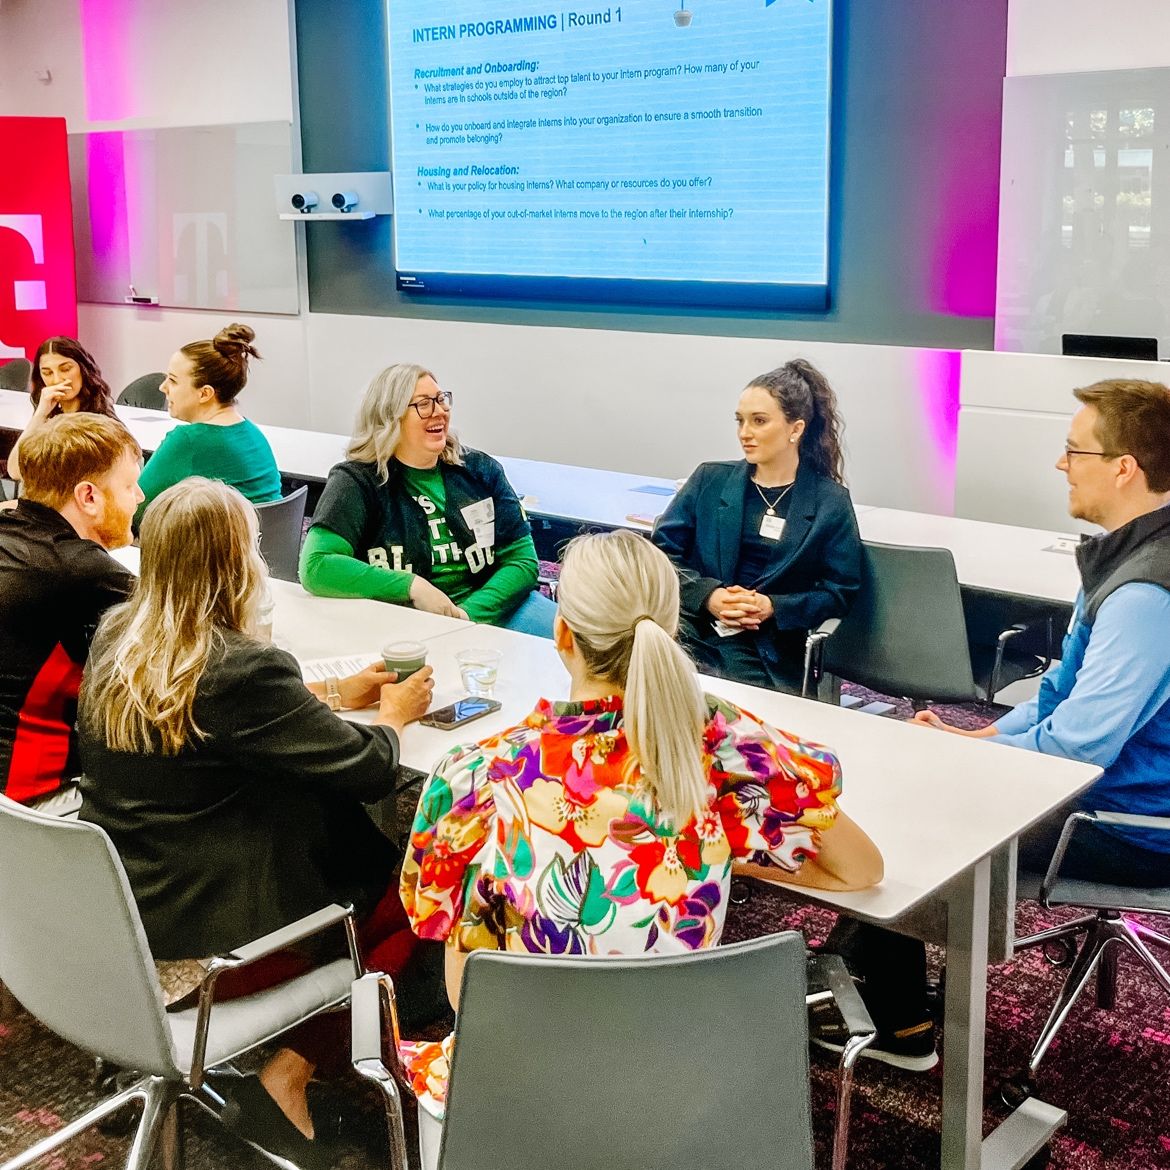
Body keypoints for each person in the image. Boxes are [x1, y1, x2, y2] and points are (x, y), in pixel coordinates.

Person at [396, 529, 883, 1132]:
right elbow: (861, 869)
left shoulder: (476, 774)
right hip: (679, 1097)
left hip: (517, 1098)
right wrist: (714, 850)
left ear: (562, 633)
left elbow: (458, 982)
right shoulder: (723, 745)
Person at [77, 478, 437, 1170]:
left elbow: (209, 719)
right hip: (214, 948)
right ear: (234, 563)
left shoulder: (119, 638)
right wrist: (391, 718)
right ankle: (292, 1073)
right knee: (418, 891)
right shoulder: (241, 669)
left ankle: (292, 1054)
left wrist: (327, 693)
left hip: (122, 919)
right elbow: (367, 769)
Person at [818, 378, 1170, 1073]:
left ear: (1124, 467)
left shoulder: (1143, 594)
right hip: (1106, 791)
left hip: (1126, 822)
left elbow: (1076, 748)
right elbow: (1057, 699)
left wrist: (966, 765)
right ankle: (859, 973)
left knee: (909, 814)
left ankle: (898, 1025)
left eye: (1075, 451)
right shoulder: (1128, 557)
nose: (1061, 464)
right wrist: (976, 740)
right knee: (921, 770)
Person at [300, 362, 555, 637]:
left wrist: (468, 614)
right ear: (390, 416)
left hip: (491, 607)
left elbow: (522, 560)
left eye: (441, 400)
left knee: (585, 642)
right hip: (401, 617)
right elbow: (316, 565)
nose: (440, 411)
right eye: (424, 404)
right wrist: (412, 586)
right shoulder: (357, 481)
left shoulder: (481, 470)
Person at [653, 359, 862, 693]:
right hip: (694, 625)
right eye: (740, 421)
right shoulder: (710, 479)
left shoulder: (829, 502)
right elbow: (660, 554)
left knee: (735, 713)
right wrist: (710, 595)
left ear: (796, 429)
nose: (744, 433)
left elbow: (840, 590)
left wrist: (773, 607)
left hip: (768, 647)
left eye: (759, 421)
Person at [0, 413, 140, 813]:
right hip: (28, 804)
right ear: (88, 497)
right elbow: (186, 629)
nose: (140, 497)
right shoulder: (80, 568)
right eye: (130, 486)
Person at [136, 323, 281, 521]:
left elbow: (134, 511)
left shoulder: (188, 441)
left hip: (215, 550)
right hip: (258, 547)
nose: (163, 387)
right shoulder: (253, 433)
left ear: (205, 393)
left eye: (173, 380)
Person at [6, 337, 117, 483]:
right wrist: (40, 413)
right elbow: (15, 470)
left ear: (83, 369)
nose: (57, 379)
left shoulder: (100, 423)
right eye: (47, 373)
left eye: (65, 369)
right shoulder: (47, 417)